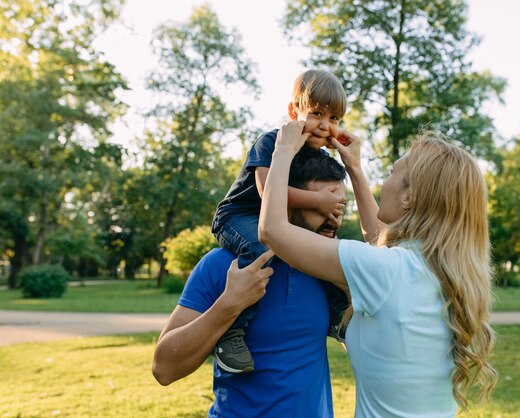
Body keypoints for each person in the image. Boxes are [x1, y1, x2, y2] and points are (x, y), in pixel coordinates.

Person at [259, 122, 498, 417]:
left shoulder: (388, 271)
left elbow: (272, 230)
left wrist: (282, 150)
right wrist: (355, 169)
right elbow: (382, 245)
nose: (384, 183)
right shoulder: (443, 272)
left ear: (409, 197)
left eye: (391, 174)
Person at [152, 149, 348, 417]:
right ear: (286, 204)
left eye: (339, 207)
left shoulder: (333, 270)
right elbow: (164, 368)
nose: (334, 218)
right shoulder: (222, 265)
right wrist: (230, 303)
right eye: (320, 208)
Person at [210, 69, 349, 373]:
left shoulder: (316, 156)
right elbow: (265, 189)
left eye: (334, 118)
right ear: (292, 111)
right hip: (238, 215)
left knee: (330, 248)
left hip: (277, 221)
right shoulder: (272, 141)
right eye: (316, 114)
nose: (325, 126)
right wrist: (317, 201)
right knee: (262, 248)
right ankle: (231, 331)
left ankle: (338, 317)